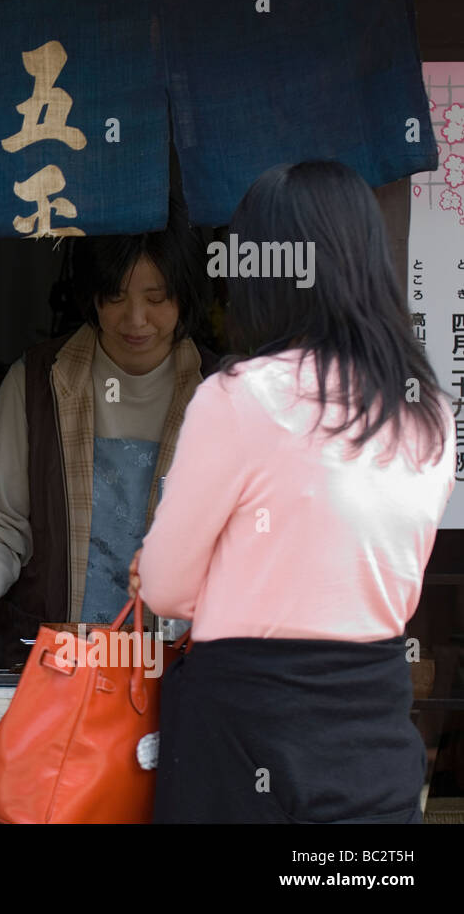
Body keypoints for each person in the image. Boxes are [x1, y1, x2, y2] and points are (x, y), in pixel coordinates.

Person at [131, 160, 456, 823]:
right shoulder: (429, 413)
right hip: (374, 729)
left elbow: (163, 587)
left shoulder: (238, 397)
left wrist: (216, 569)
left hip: (243, 729)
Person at [0, 196, 216, 668]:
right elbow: (2, 526)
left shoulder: (225, 393)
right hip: (56, 673)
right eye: (116, 297)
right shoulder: (36, 383)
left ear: (186, 294)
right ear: (90, 292)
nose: (135, 320)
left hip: (184, 675)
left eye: (156, 299)